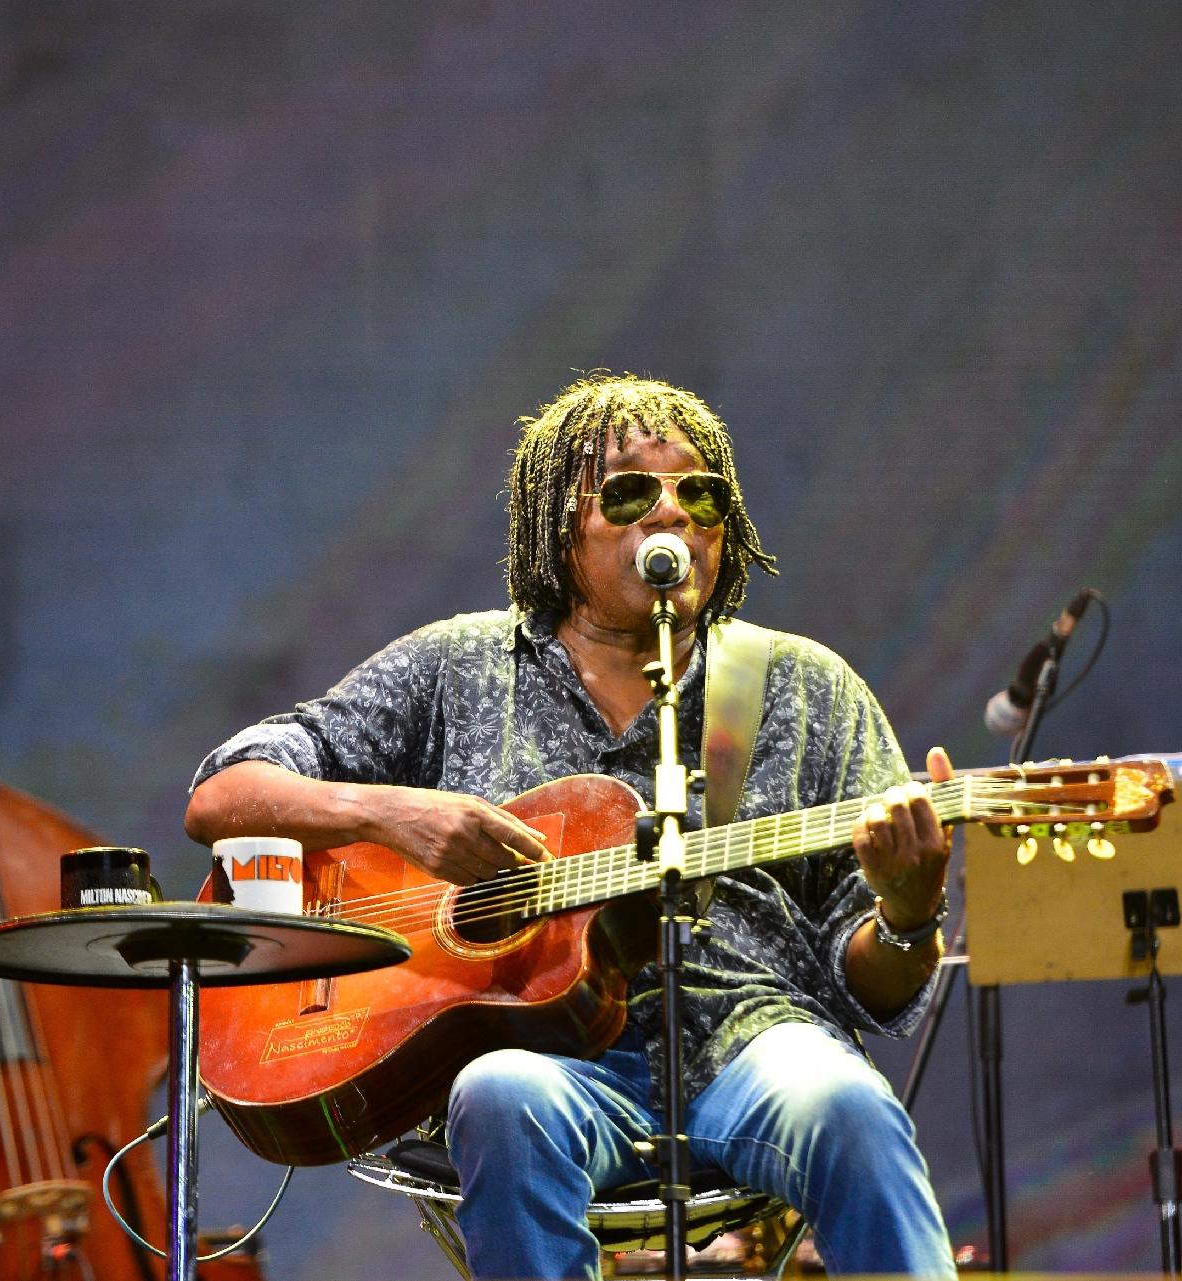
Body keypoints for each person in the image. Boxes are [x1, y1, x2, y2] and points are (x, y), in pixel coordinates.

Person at [185, 373, 956, 1279]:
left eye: (698, 494)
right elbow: (223, 795)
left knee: (853, 1108)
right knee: (499, 1091)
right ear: (564, 525)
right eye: (631, 491)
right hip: (540, 1058)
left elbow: (876, 989)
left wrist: (908, 910)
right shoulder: (455, 667)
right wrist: (397, 813)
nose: (670, 514)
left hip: (756, 1042)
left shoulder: (803, 687)